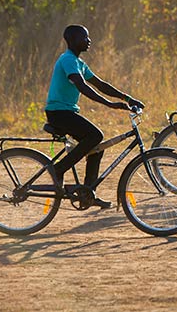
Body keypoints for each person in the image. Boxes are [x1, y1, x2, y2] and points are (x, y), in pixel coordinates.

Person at [45, 25, 144, 209]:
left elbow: (101, 85)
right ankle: (58, 169)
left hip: (66, 112)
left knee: (97, 147)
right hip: (59, 113)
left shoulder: (79, 63)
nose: (89, 40)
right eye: (85, 37)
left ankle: (87, 193)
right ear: (73, 40)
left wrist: (128, 99)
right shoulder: (68, 60)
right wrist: (110, 105)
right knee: (95, 136)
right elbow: (81, 86)